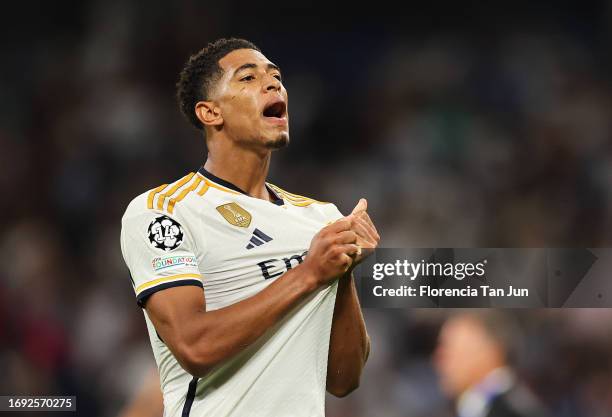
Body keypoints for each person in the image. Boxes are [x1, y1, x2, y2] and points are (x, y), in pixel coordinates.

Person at [120, 38, 378, 417]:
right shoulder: (164, 212)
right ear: (211, 113)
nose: (273, 84)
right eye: (248, 78)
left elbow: (343, 379)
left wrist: (342, 274)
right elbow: (195, 347)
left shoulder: (321, 218)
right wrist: (310, 272)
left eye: (276, 77)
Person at [434, 311, 549, 417]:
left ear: (490, 351)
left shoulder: (512, 410)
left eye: (449, 350)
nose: (439, 360)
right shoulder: (480, 408)